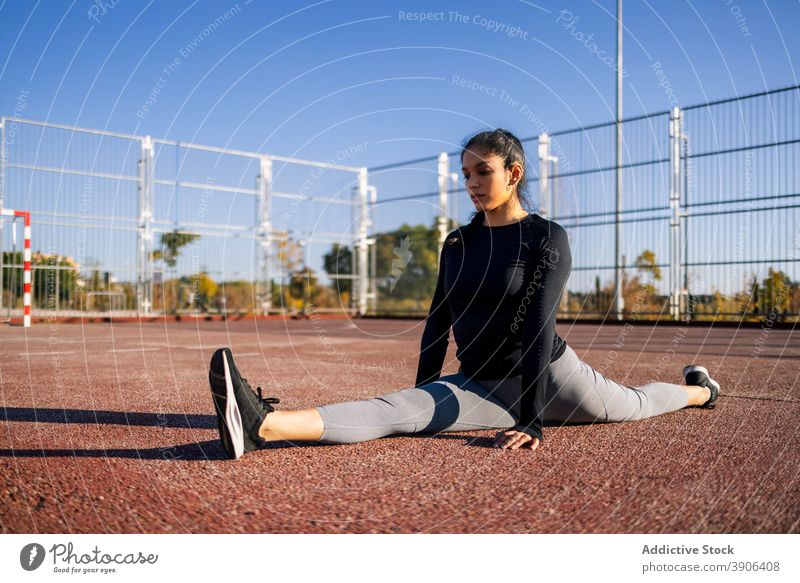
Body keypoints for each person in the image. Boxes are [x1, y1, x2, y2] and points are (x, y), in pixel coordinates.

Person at [208, 128, 720, 460]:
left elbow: (540, 324)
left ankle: (701, 390)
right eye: (466, 174)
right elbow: (438, 322)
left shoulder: (546, 238)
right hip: (480, 382)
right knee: (390, 411)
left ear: (513, 174)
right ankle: (263, 425)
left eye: (483, 172)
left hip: (551, 378)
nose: (471, 183)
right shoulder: (457, 242)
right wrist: (423, 396)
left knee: (631, 404)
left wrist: (534, 421)